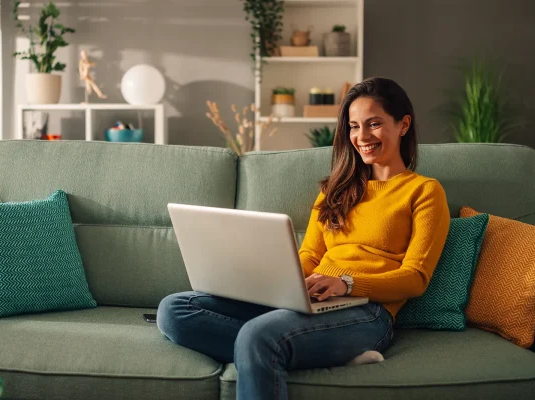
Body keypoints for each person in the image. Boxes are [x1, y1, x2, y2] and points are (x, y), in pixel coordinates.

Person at [156, 77, 451, 400]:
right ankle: (323, 353)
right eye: (353, 126)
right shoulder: (334, 190)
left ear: (403, 124)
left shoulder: (424, 191)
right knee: (175, 309)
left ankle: (280, 348)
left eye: (374, 124)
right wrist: (277, 283)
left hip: (369, 313)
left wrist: (347, 283)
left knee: (258, 337)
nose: (362, 137)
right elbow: (310, 255)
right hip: (310, 299)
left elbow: (415, 279)